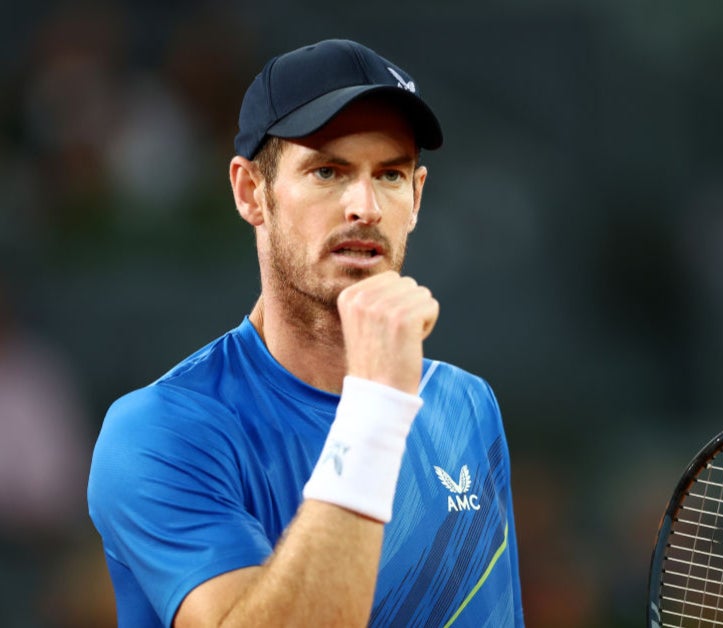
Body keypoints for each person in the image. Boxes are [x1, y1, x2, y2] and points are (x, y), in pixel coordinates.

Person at [88, 38, 524, 627]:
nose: (365, 206)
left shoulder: (468, 406)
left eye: (390, 174)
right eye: (327, 170)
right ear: (250, 192)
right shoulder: (161, 432)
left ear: (417, 197)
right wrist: (377, 405)